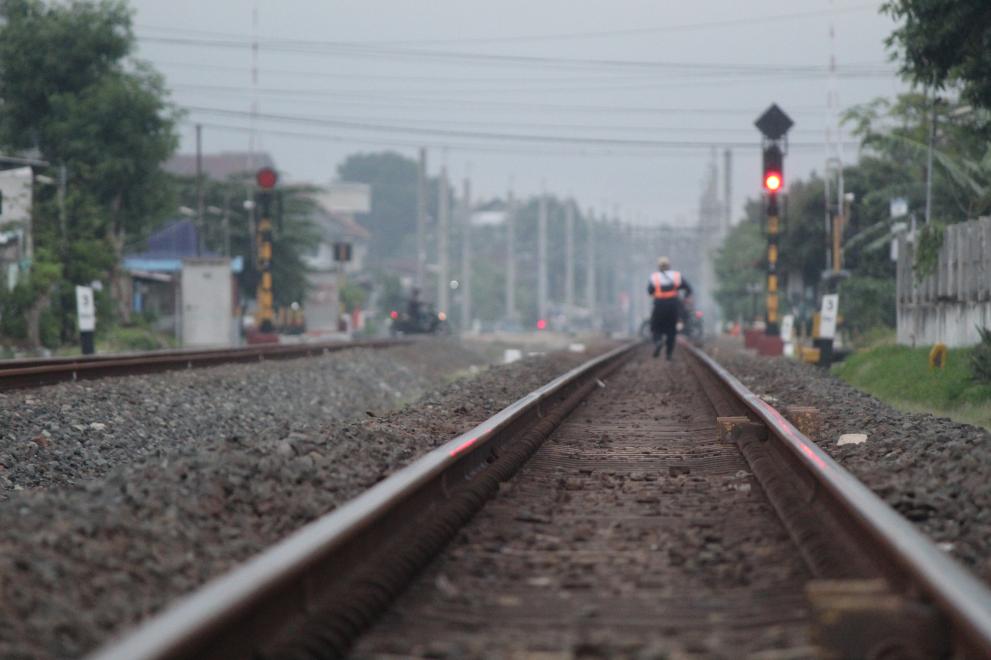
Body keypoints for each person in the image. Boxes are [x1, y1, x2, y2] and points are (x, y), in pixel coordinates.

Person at [647, 256, 693, 360]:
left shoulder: (654, 277)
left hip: (659, 305)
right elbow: (688, 289)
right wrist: (685, 298)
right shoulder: (676, 275)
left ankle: (658, 341)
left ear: (659, 266)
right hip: (673, 305)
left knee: (655, 327)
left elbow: (649, 291)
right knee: (671, 330)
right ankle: (669, 354)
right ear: (669, 266)